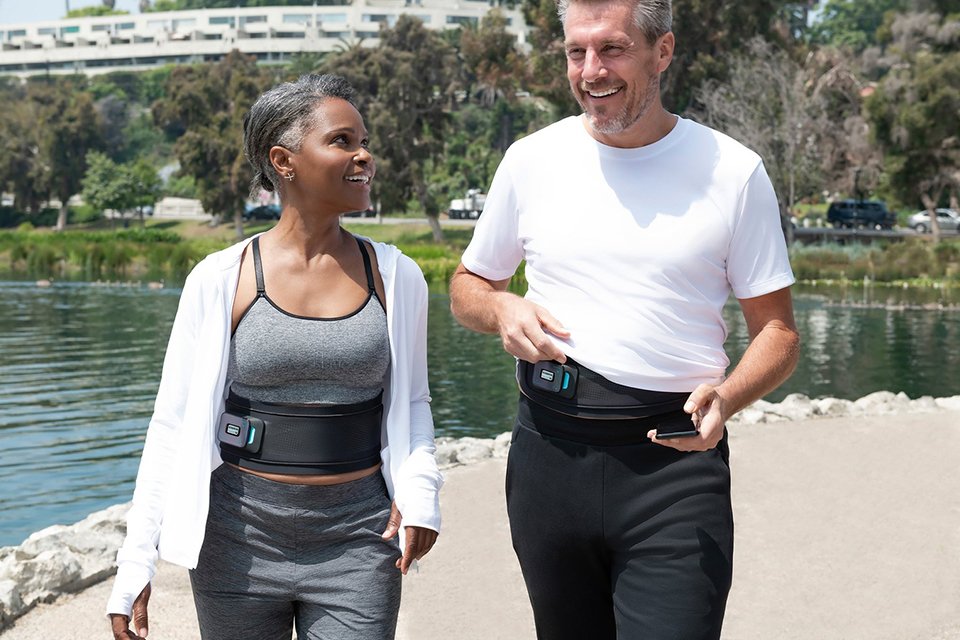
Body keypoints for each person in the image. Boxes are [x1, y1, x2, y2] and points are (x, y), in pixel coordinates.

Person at [449, 0, 801, 637]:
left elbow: (778, 333)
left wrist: (729, 394)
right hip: (547, 460)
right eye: (575, 53)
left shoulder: (735, 171)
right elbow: (468, 286)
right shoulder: (531, 160)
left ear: (662, 51)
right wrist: (501, 304)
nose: (590, 70)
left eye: (611, 49)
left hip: (675, 468)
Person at [107, 74, 442, 640]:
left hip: (359, 538)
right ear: (284, 160)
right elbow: (173, 424)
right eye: (342, 141)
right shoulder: (219, 278)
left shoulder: (397, 276)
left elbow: (412, 400)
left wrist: (421, 494)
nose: (364, 155)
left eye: (364, 140)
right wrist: (135, 563)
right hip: (237, 540)